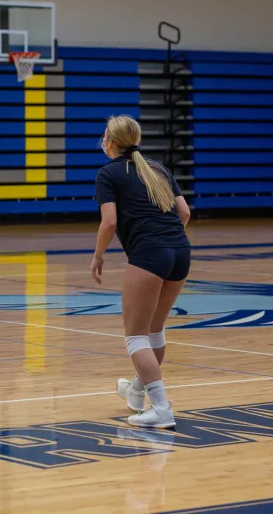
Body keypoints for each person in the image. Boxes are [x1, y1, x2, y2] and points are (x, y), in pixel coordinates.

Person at [92, 115, 191, 429]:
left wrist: (98, 255)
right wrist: (168, 240)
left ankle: (161, 409)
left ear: (110, 141)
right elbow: (184, 212)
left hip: (150, 255)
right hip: (180, 250)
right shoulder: (158, 168)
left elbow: (109, 222)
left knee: (135, 337)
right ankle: (137, 390)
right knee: (154, 331)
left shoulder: (108, 173)